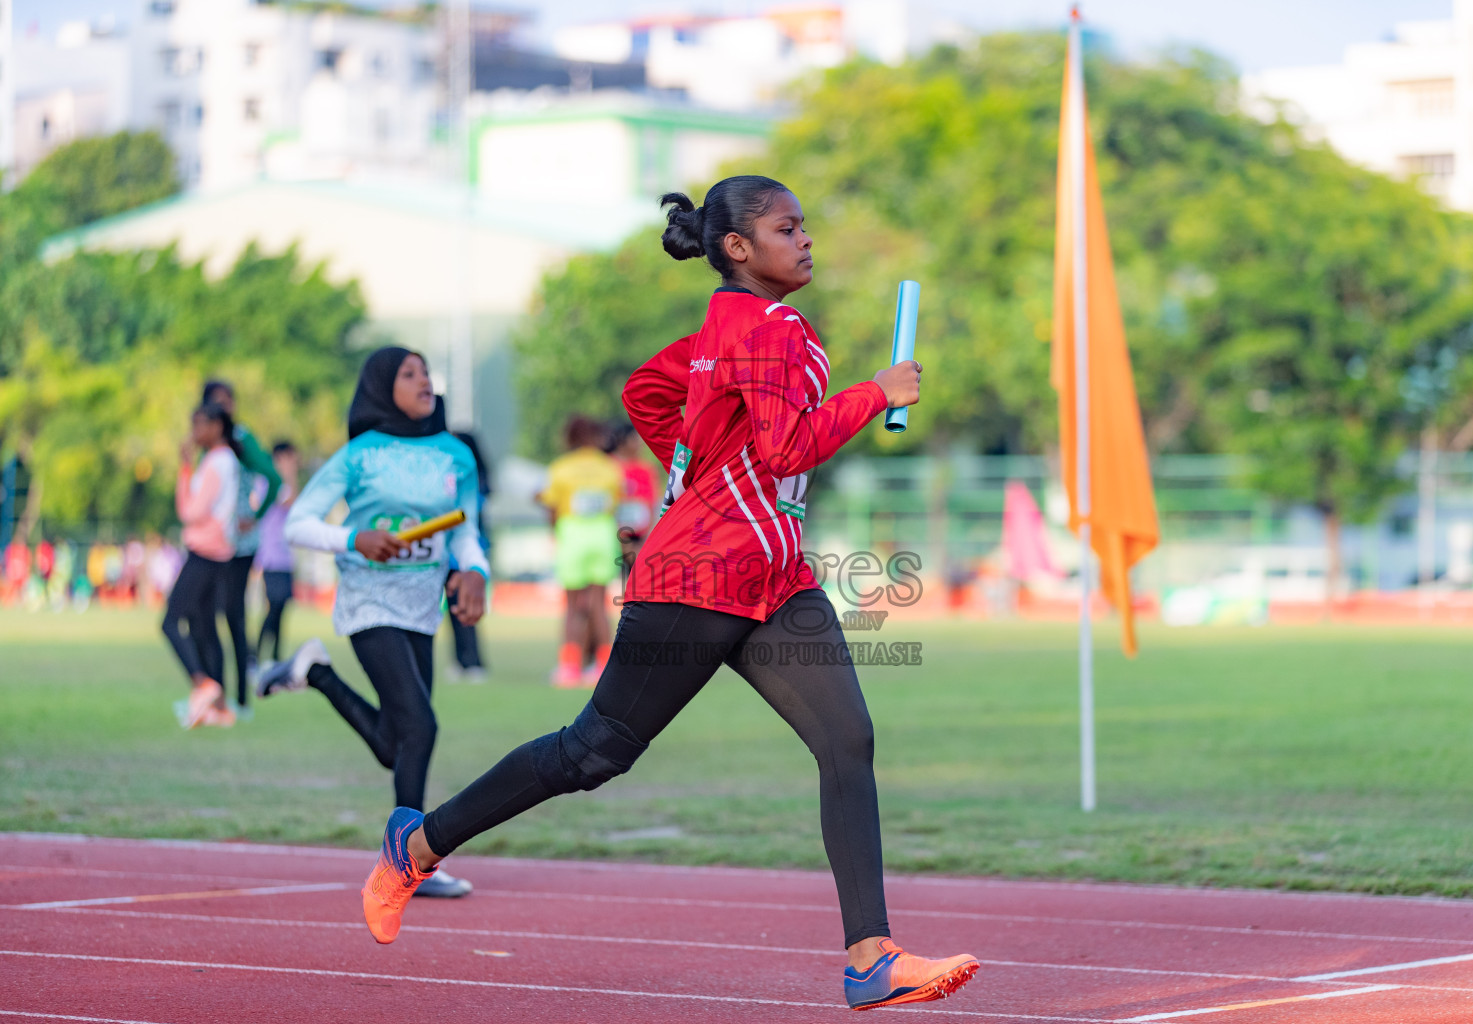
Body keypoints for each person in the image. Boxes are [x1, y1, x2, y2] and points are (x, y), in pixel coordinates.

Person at [355, 176, 979, 1011]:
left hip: (773, 579)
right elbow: (789, 447)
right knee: (593, 753)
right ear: (736, 248)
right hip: (697, 578)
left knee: (847, 742)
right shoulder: (770, 327)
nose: (805, 240)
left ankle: (870, 957)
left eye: (804, 227)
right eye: (786, 229)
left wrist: (696, 478)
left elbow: (646, 394)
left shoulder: (727, 330)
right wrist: (877, 393)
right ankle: (418, 846)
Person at [257, 347, 488, 900]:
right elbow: (300, 524)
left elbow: (466, 530)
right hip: (368, 601)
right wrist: (354, 539)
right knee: (422, 729)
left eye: (426, 372)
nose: (423, 381)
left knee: (398, 742)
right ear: (383, 387)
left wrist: (476, 569)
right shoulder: (359, 455)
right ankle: (407, 861)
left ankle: (315, 672)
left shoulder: (457, 455)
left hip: (422, 607)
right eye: (409, 374)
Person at [202, 380, 282, 713]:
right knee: (203, 613)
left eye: (228, 402)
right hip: (212, 542)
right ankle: (210, 693)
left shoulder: (241, 438)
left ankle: (240, 698)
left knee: (232, 614)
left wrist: (255, 515)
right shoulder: (206, 443)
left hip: (239, 544)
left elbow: (274, 478)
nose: (225, 408)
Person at [162, 402, 242, 729]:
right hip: (220, 552)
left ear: (217, 426)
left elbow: (190, 512)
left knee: (170, 621)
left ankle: (202, 684)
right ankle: (220, 707)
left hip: (205, 551)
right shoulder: (227, 461)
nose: (194, 433)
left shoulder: (215, 462)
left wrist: (184, 468)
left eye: (200, 425)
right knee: (205, 628)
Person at [539, 415, 622, 687]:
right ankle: (602, 665)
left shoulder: (561, 468)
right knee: (599, 605)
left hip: (572, 535)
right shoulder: (610, 467)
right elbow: (615, 504)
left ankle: (569, 667)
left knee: (573, 606)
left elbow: (552, 508)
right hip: (602, 534)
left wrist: (556, 534)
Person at [443, 431, 492, 683]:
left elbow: (469, 524)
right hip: (447, 554)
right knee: (453, 610)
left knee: (466, 608)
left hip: (467, 556)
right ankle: (461, 660)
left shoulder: (474, 486)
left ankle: (473, 662)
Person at [254, 441, 299, 663]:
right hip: (271, 556)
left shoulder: (284, 483)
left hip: (286, 558)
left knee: (281, 608)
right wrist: (289, 474)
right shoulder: (269, 482)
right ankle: (255, 653)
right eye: (290, 458)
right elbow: (290, 503)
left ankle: (275, 657)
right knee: (274, 605)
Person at [611, 423, 659, 587]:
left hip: (640, 538)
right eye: (634, 439)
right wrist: (622, 540)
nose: (639, 443)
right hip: (614, 536)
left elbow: (651, 504)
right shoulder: (611, 466)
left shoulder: (647, 469)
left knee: (637, 584)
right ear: (622, 441)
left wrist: (645, 540)